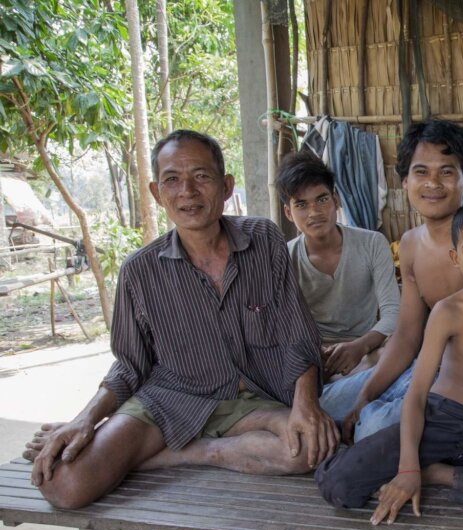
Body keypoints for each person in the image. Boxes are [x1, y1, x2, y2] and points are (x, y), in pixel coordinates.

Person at [23, 130, 337, 509]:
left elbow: (297, 334)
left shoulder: (264, 240)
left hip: (255, 400)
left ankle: (197, 452)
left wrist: (306, 404)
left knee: (308, 449)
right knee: (65, 484)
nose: (187, 191)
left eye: (201, 177)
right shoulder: (140, 271)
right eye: (172, 179)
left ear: (225, 186)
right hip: (169, 400)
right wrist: (84, 420)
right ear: (157, 194)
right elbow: (129, 365)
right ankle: (164, 446)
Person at [316, 199, 463, 523]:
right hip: (440, 421)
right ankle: (382, 453)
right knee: (339, 485)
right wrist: (407, 467)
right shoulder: (448, 311)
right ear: (456, 259)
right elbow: (416, 395)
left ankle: (438, 474)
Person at [322, 120, 463, 443]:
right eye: (421, 172)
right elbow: (406, 336)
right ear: (404, 181)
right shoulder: (411, 244)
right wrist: (368, 393)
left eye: (446, 172)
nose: (433, 183)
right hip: (422, 367)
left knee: (372, 431)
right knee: (326, 404)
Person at [275, 151, 399, 380]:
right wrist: (315, 355)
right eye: (301, 204)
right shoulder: (284, 257)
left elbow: (393, 313)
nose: (314, 212)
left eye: (322, 199)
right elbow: (283, 325)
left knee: (400, 352)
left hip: (368, 350)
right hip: (315, 358)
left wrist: (360, 346)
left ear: (336, 200)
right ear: (288, 213)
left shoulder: (372, 243)